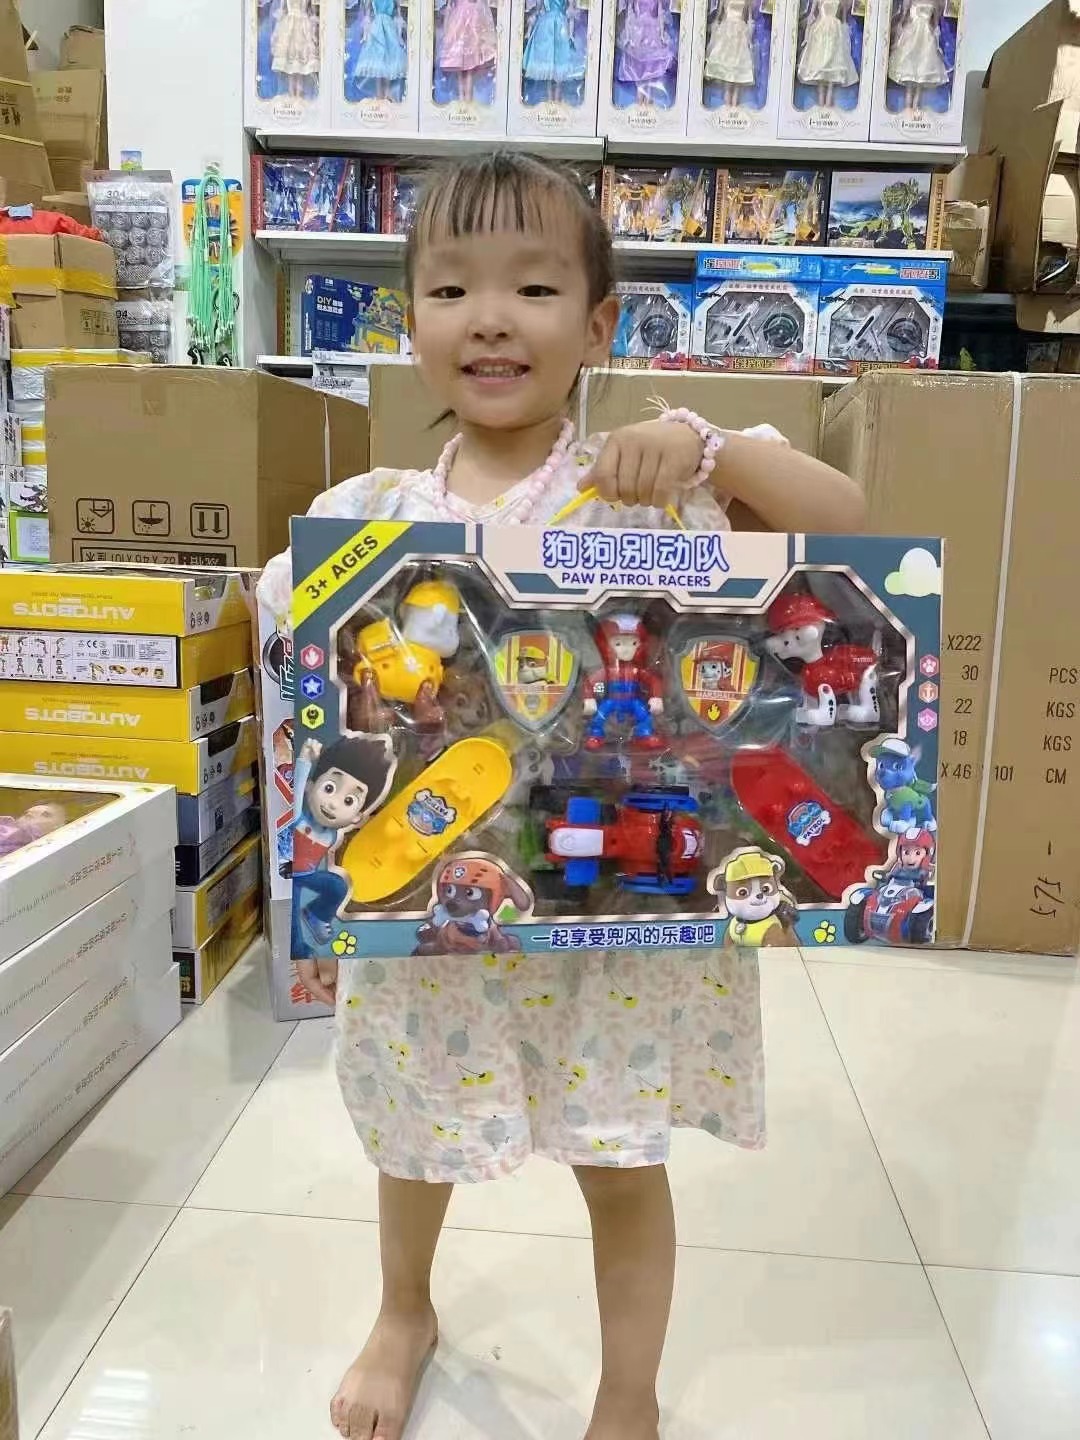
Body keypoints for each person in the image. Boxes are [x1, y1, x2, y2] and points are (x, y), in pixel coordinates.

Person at [257, 150, 864, 1440]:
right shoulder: (368, 513)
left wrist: (705, 440)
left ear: (597, 326)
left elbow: (852, 522)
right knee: (416, 1132)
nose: (489, 318)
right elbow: (307, 673)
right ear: (410, 320)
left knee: (621, 1152)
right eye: (450, 289)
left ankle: (628, 1389)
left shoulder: (655, 491)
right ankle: (404, 1309)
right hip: (437, 907)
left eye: (534, 288)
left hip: (618, 914)